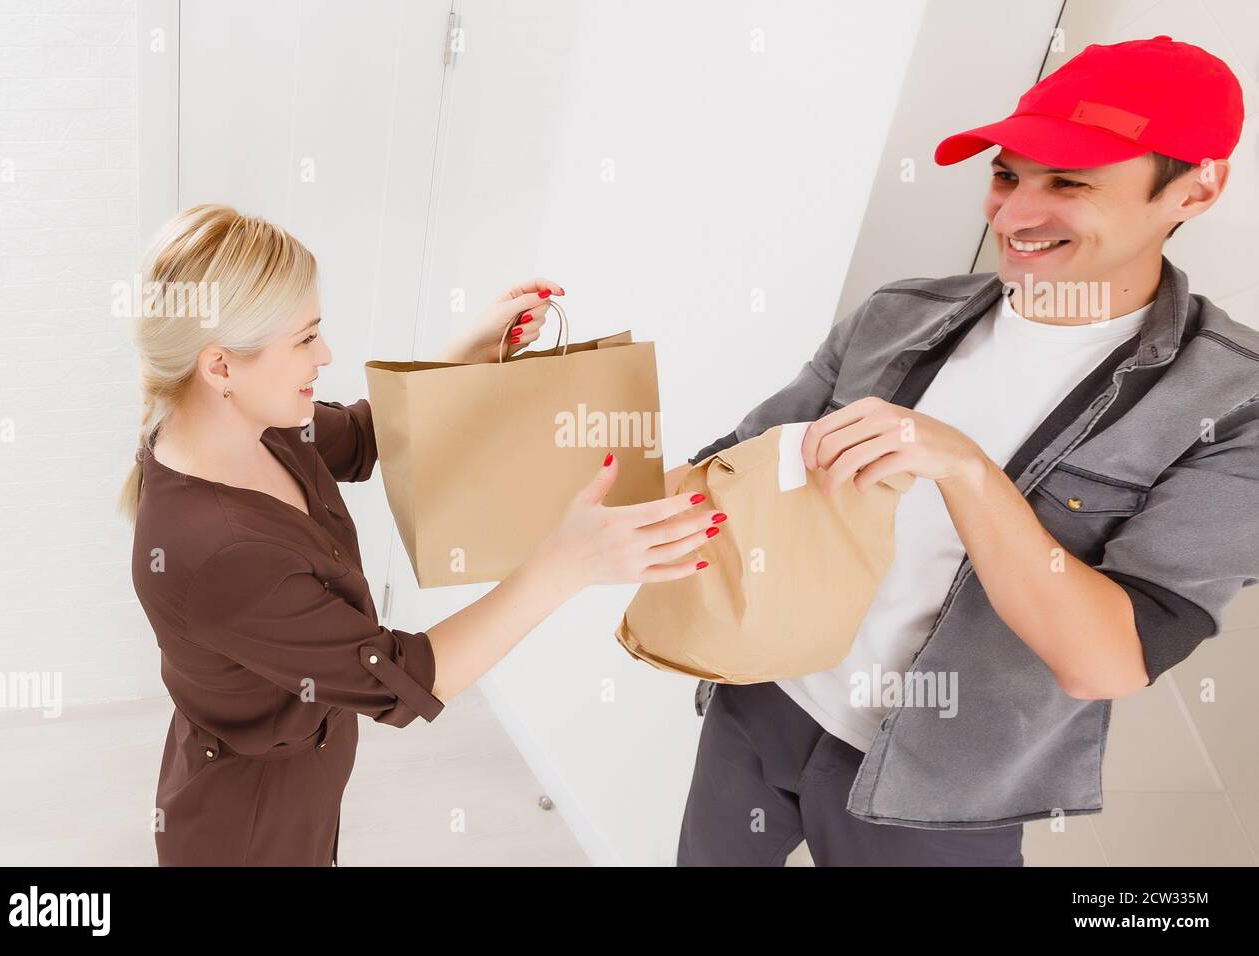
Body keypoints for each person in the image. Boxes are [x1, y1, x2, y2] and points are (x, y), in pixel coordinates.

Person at [672, 36, 1258, 866]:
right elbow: (722, 475)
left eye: (1071, 184)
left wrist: (967, 469)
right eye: (1007, 175)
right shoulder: (899, 314)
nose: (1016, 216)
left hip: (940, 788)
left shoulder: (1233, 404)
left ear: (1197, 186)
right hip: (763, 698)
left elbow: (1108, 661)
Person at [120, 204, 723, 865]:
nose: (326, 355)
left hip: (301, 777)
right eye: (304, 339)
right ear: (220, 366)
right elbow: (398, 681)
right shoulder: (217, 552)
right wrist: (564, 564)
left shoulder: (240, 424)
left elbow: (363, 438)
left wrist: (466, 354)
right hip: (252, 825)